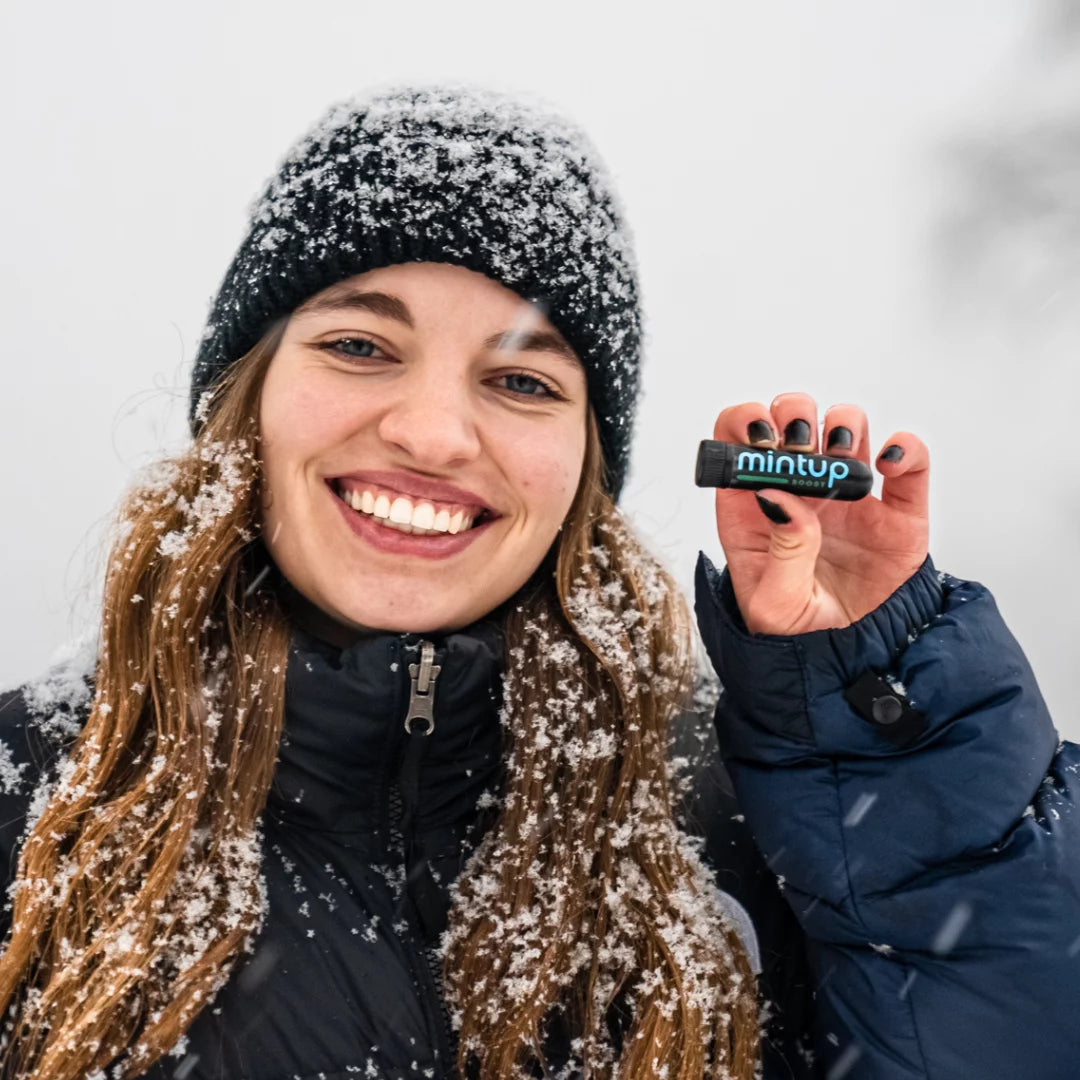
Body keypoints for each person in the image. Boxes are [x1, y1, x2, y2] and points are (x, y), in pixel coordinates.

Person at [0, 81, 1076, 1080]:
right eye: (362, 347)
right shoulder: (23, 807)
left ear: (583, 471)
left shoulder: (745, 826)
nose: (430, 432)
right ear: (247, 398)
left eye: (519, 380)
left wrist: (879, 737)